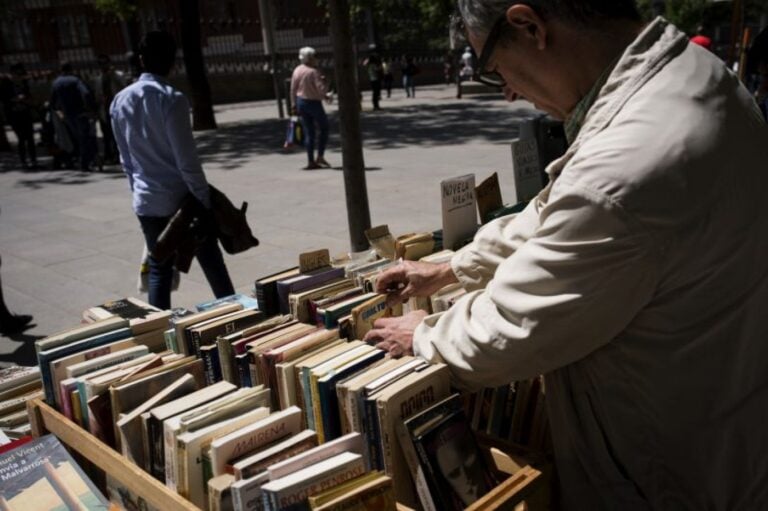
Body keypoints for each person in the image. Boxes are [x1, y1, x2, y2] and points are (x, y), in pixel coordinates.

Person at [364, 1, 768, 508]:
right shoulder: (692, 74)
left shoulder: (632, 160)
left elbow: (511, 330)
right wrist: (451, 267)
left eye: (495, 70)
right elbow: (558, 208)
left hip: (671, 472)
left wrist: (424, 336)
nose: (509, 92)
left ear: (529, 26)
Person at [110, 31, 235, 310]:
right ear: (172, 62)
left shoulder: (119, 100)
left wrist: (139, 192)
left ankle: (160, 334)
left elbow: (126, 159)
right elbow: (186, 160)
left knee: (159, 269)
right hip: (183, 200)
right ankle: (233, 318)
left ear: (141, 59)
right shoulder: (172, 99)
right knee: (212, 262)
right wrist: (203, 200)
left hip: (147, 200)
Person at [290, 46, 332, 170]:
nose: (316, 59)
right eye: (315, 56)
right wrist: (326, 84)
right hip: (313, 103)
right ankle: (320, 155)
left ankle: (310, 161)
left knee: (309, 132)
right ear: (310, 58)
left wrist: (293, 104)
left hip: (300, 102)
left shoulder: (297, 70)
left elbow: (293, 88)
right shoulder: (314, 72)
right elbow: (321, 90)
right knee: (324, 128)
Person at [50, 62, 97, 171]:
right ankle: (86, 163)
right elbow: (86, 93)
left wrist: (60, 112)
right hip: (80, 113)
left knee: (77, 138)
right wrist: (89, 108)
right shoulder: (75, 80)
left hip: (68, 115)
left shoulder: (56, 83)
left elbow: (52, 101)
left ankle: (82, 160)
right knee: (85, 137)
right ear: (71, 69)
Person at [0, 63, 38, 170]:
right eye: (18, 73)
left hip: (25, 113)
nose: (21, 76)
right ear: (13, 73)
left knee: (30, 138)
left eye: (21, 73)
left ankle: (33, 160)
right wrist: (15, 99)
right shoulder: (6, 84)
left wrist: (28, 100)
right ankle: (24, 161)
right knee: (21, 138)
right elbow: (4, 99)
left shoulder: (24, 83)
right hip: (14, 115)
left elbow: (29, 96)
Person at [93, 54, 127, 164]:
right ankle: (111, 155)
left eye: (105, 63)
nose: (104, 66)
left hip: (118, 109)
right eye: (101, 64)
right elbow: (97, 95)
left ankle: (121, 154)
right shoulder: (98, 79)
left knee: (120, 133)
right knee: (107, 134)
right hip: (105, 110)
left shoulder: (118, 75)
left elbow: (125, 88)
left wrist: (113, 76)